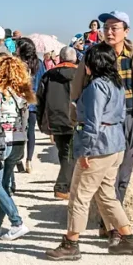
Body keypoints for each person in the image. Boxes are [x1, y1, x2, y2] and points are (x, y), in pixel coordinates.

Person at [71, 11, 133, 245]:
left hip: (129, 120)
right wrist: (76, 119)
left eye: (115, 27)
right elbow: (77, 87)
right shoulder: (94, 55)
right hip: (101, 123)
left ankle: (112, 228)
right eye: (106, 27)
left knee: (122, 174)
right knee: (104, 176)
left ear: (126, 31)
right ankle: (113, 227)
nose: (109, 31)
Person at [46, 43, 133, 260]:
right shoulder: (116, 84)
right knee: (107, 194)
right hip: (115, 144)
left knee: (79, 195)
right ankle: (128, 238)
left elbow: (93, 122)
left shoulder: (96, 87)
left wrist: (86, 151)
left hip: (98, 146)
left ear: (92, 64)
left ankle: (71, 243)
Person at [0, 55, 34, 241]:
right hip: (19, 142)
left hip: (0, 143)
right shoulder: (22, 94)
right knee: (4, 184)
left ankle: (16, 222)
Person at [37, 46, 78, 199]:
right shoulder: (79, 74)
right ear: (74, 59)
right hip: (74, 118)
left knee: (64, 151)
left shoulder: (48, 75)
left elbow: (40, 99)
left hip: (54, 118)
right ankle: (62, 186)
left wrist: (41, 121)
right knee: (70, 153)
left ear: (60, 58)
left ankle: (67, 183)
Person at [15, 38, 45, 174]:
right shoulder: (39, 64)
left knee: (17, 131)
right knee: (30, 132)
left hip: (18, 102)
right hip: (33, 103)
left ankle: (17, 158)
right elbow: (43, 84)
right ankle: (29, 160)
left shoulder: (17, 64)